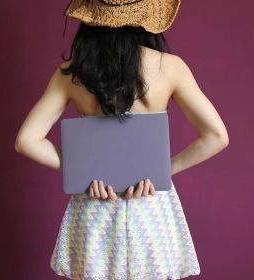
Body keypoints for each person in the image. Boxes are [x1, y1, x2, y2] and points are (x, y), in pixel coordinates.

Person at [15, 0, 229, 279]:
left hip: (94, 207)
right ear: (147, 17)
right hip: (150, 206)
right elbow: (216, 135)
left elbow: (27, 141)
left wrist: (82, 173)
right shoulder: (170, 68)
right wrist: (163, 170)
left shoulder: (72, 73)